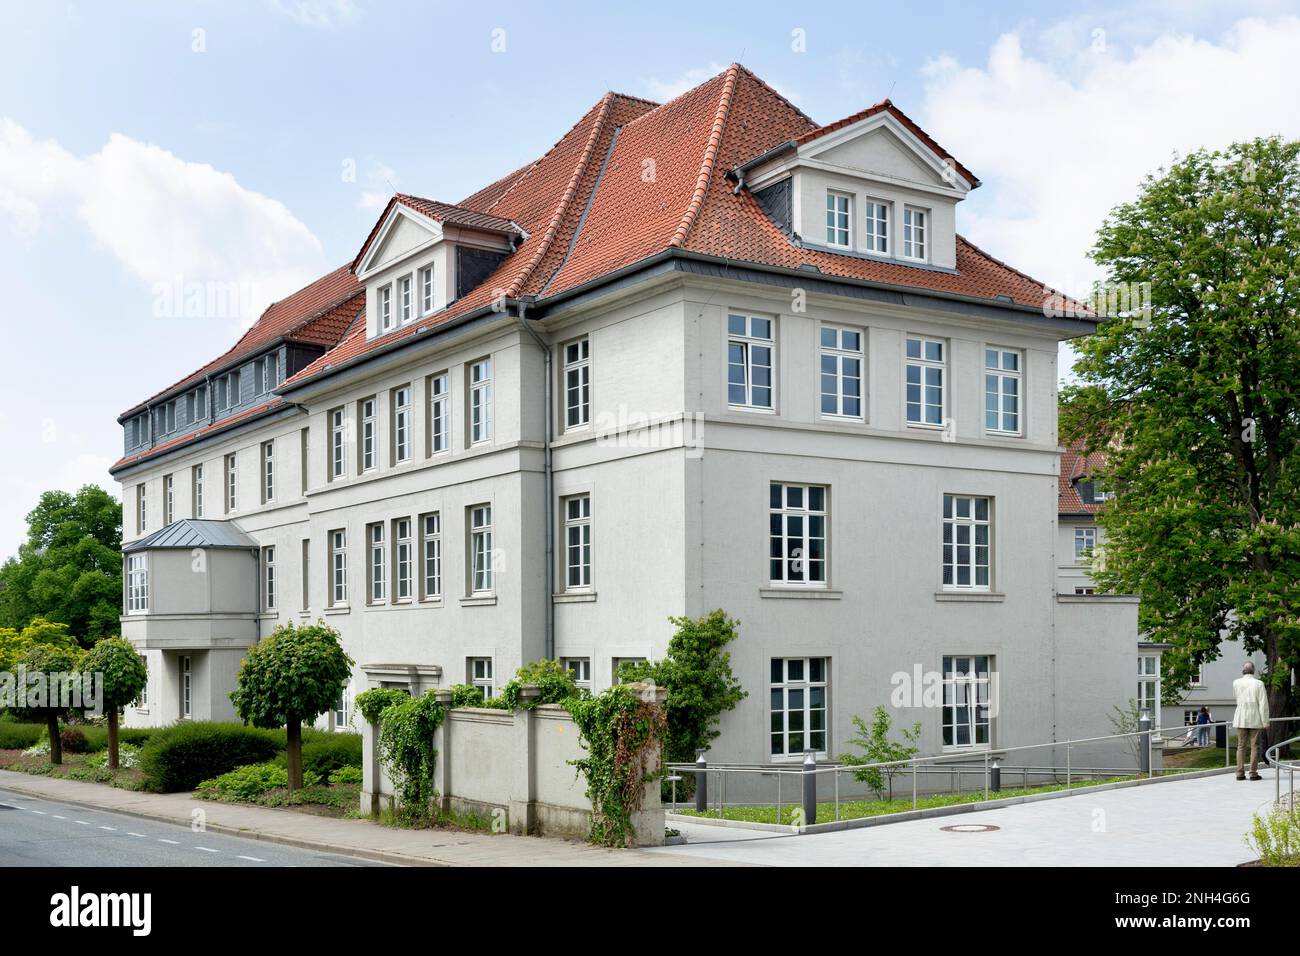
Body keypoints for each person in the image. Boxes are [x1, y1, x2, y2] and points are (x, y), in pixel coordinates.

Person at [1232, 662, 1269, 780]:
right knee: (1255, 746)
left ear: (1243, 670)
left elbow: (1236, 697)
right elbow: (1263, 704)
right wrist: (1265, 721)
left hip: (1241, 716)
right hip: (1255, 717)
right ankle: (1253, 773)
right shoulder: (1259, 683)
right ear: (1253, 670)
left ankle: (1239, 773)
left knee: (1241, 746)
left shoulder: (1236, 683)